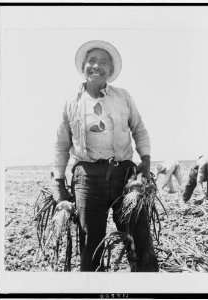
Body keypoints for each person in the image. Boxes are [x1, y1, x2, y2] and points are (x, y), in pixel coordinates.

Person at [52, 40, 158, 272]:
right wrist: (59, 182)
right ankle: (92, 290)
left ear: (110, 70)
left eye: (103, 62)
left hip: (125, 175)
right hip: (88, 178)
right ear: (83, 66)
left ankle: (149, 289)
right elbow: (61, 145)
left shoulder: (123, 97)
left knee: (139, 237)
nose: (96, 66)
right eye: (92, 61)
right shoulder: (72, 103)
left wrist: (146, 160)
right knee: (91, 242)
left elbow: (139, 129)